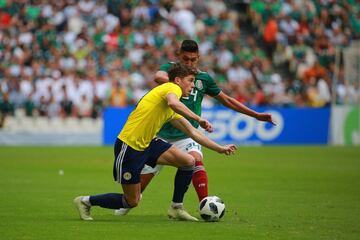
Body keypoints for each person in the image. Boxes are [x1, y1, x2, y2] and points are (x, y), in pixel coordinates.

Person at [115, 40, 275, 220]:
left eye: (193, 60)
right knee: (138, 189)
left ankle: (201, 205)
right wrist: (180, 79)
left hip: (186, 133)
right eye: (185, 59)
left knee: (195, 160)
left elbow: (227, 100)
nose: (189, 63)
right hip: (159, 134)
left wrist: (256, 115)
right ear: (179, 56)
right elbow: (158, 76)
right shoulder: (172, 70)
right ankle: (126, 202)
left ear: (198, 58)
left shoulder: (204, 79)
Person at [74, 63, 237, 221]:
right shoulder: (171, 89)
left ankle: (176, 207)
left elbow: (192, 132)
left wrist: (220, 149)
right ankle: (85, 201)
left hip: (148, 144)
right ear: (178, 80)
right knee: (132, 201)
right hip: (129, 146)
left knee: (188, 161)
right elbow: (174, 102)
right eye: (190, 81)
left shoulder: (169, 107)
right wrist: (198, 118)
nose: (193, 86)